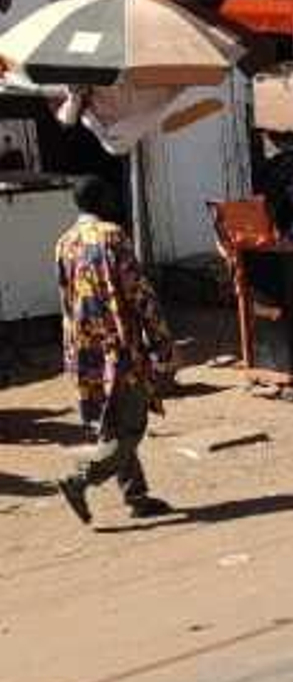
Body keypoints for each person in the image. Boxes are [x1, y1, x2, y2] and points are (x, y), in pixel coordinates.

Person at [55, 171, 177, 526]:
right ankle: (80, 479)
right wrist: (162, 342)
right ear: (103, 200)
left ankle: (136, 496)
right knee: (132, 425)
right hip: (118, 348)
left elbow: (65, 299)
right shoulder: (113, 236)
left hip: (83, 349)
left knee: (111, 426)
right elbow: (139, 293)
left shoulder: (64, 243)